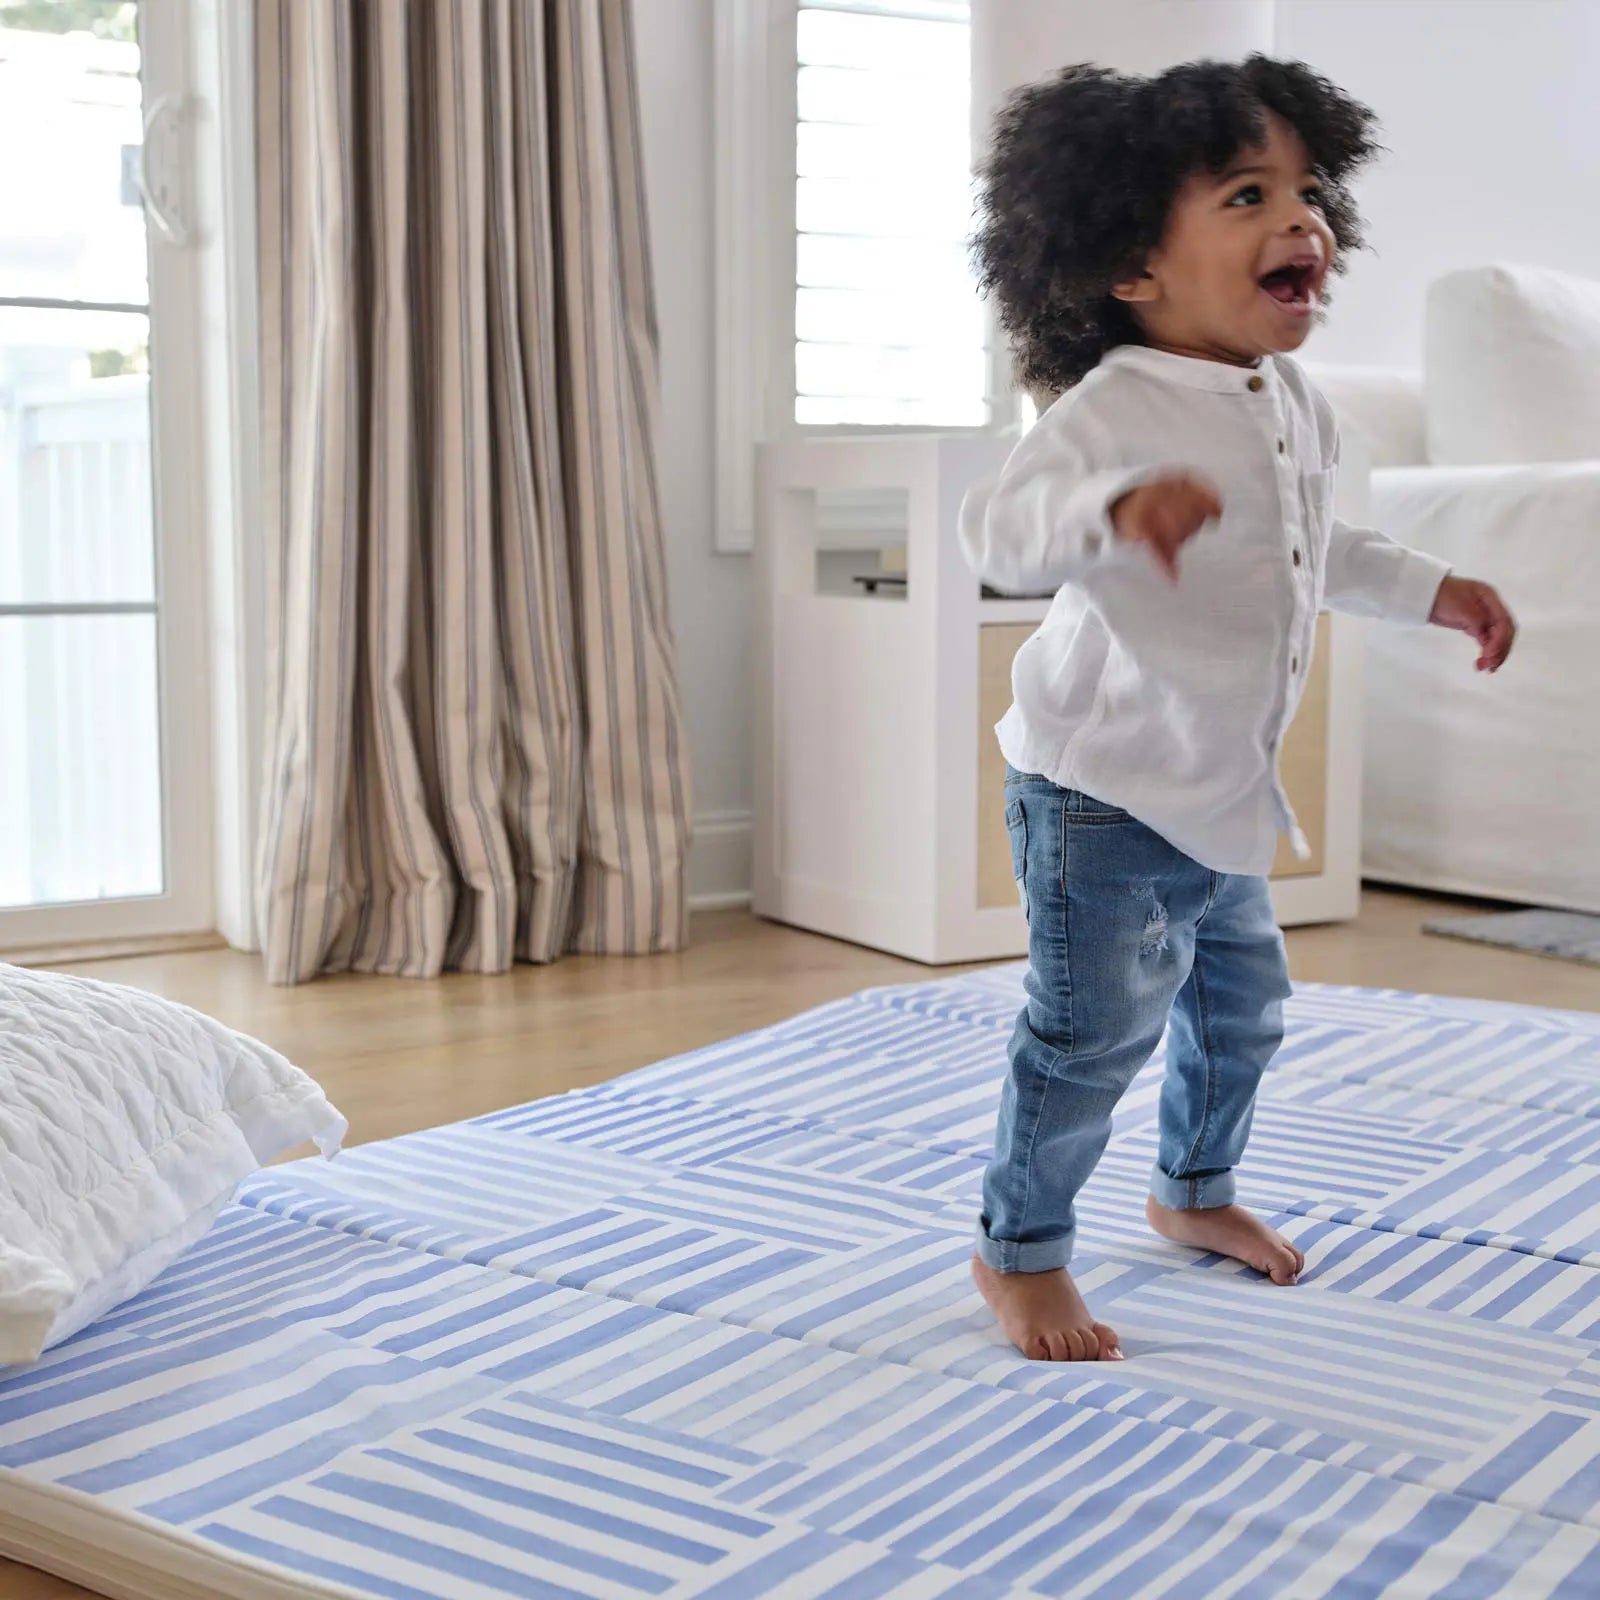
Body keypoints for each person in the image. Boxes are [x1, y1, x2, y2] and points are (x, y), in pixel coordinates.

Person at [960, 56, 1516, 1363]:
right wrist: (1113, 510)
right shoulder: (1114, 407)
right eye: (1248, 194)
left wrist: (1438, 589)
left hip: (1214, 790)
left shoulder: (1295, 403)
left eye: (1310, 190)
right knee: (1089, 1033)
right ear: (1131, 263)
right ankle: (1019, 1251)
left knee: (1242, 1010)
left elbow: (1329, 553)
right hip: (1102, 794)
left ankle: (1191, 1192)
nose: (1303, 219)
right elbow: (1004, 524)